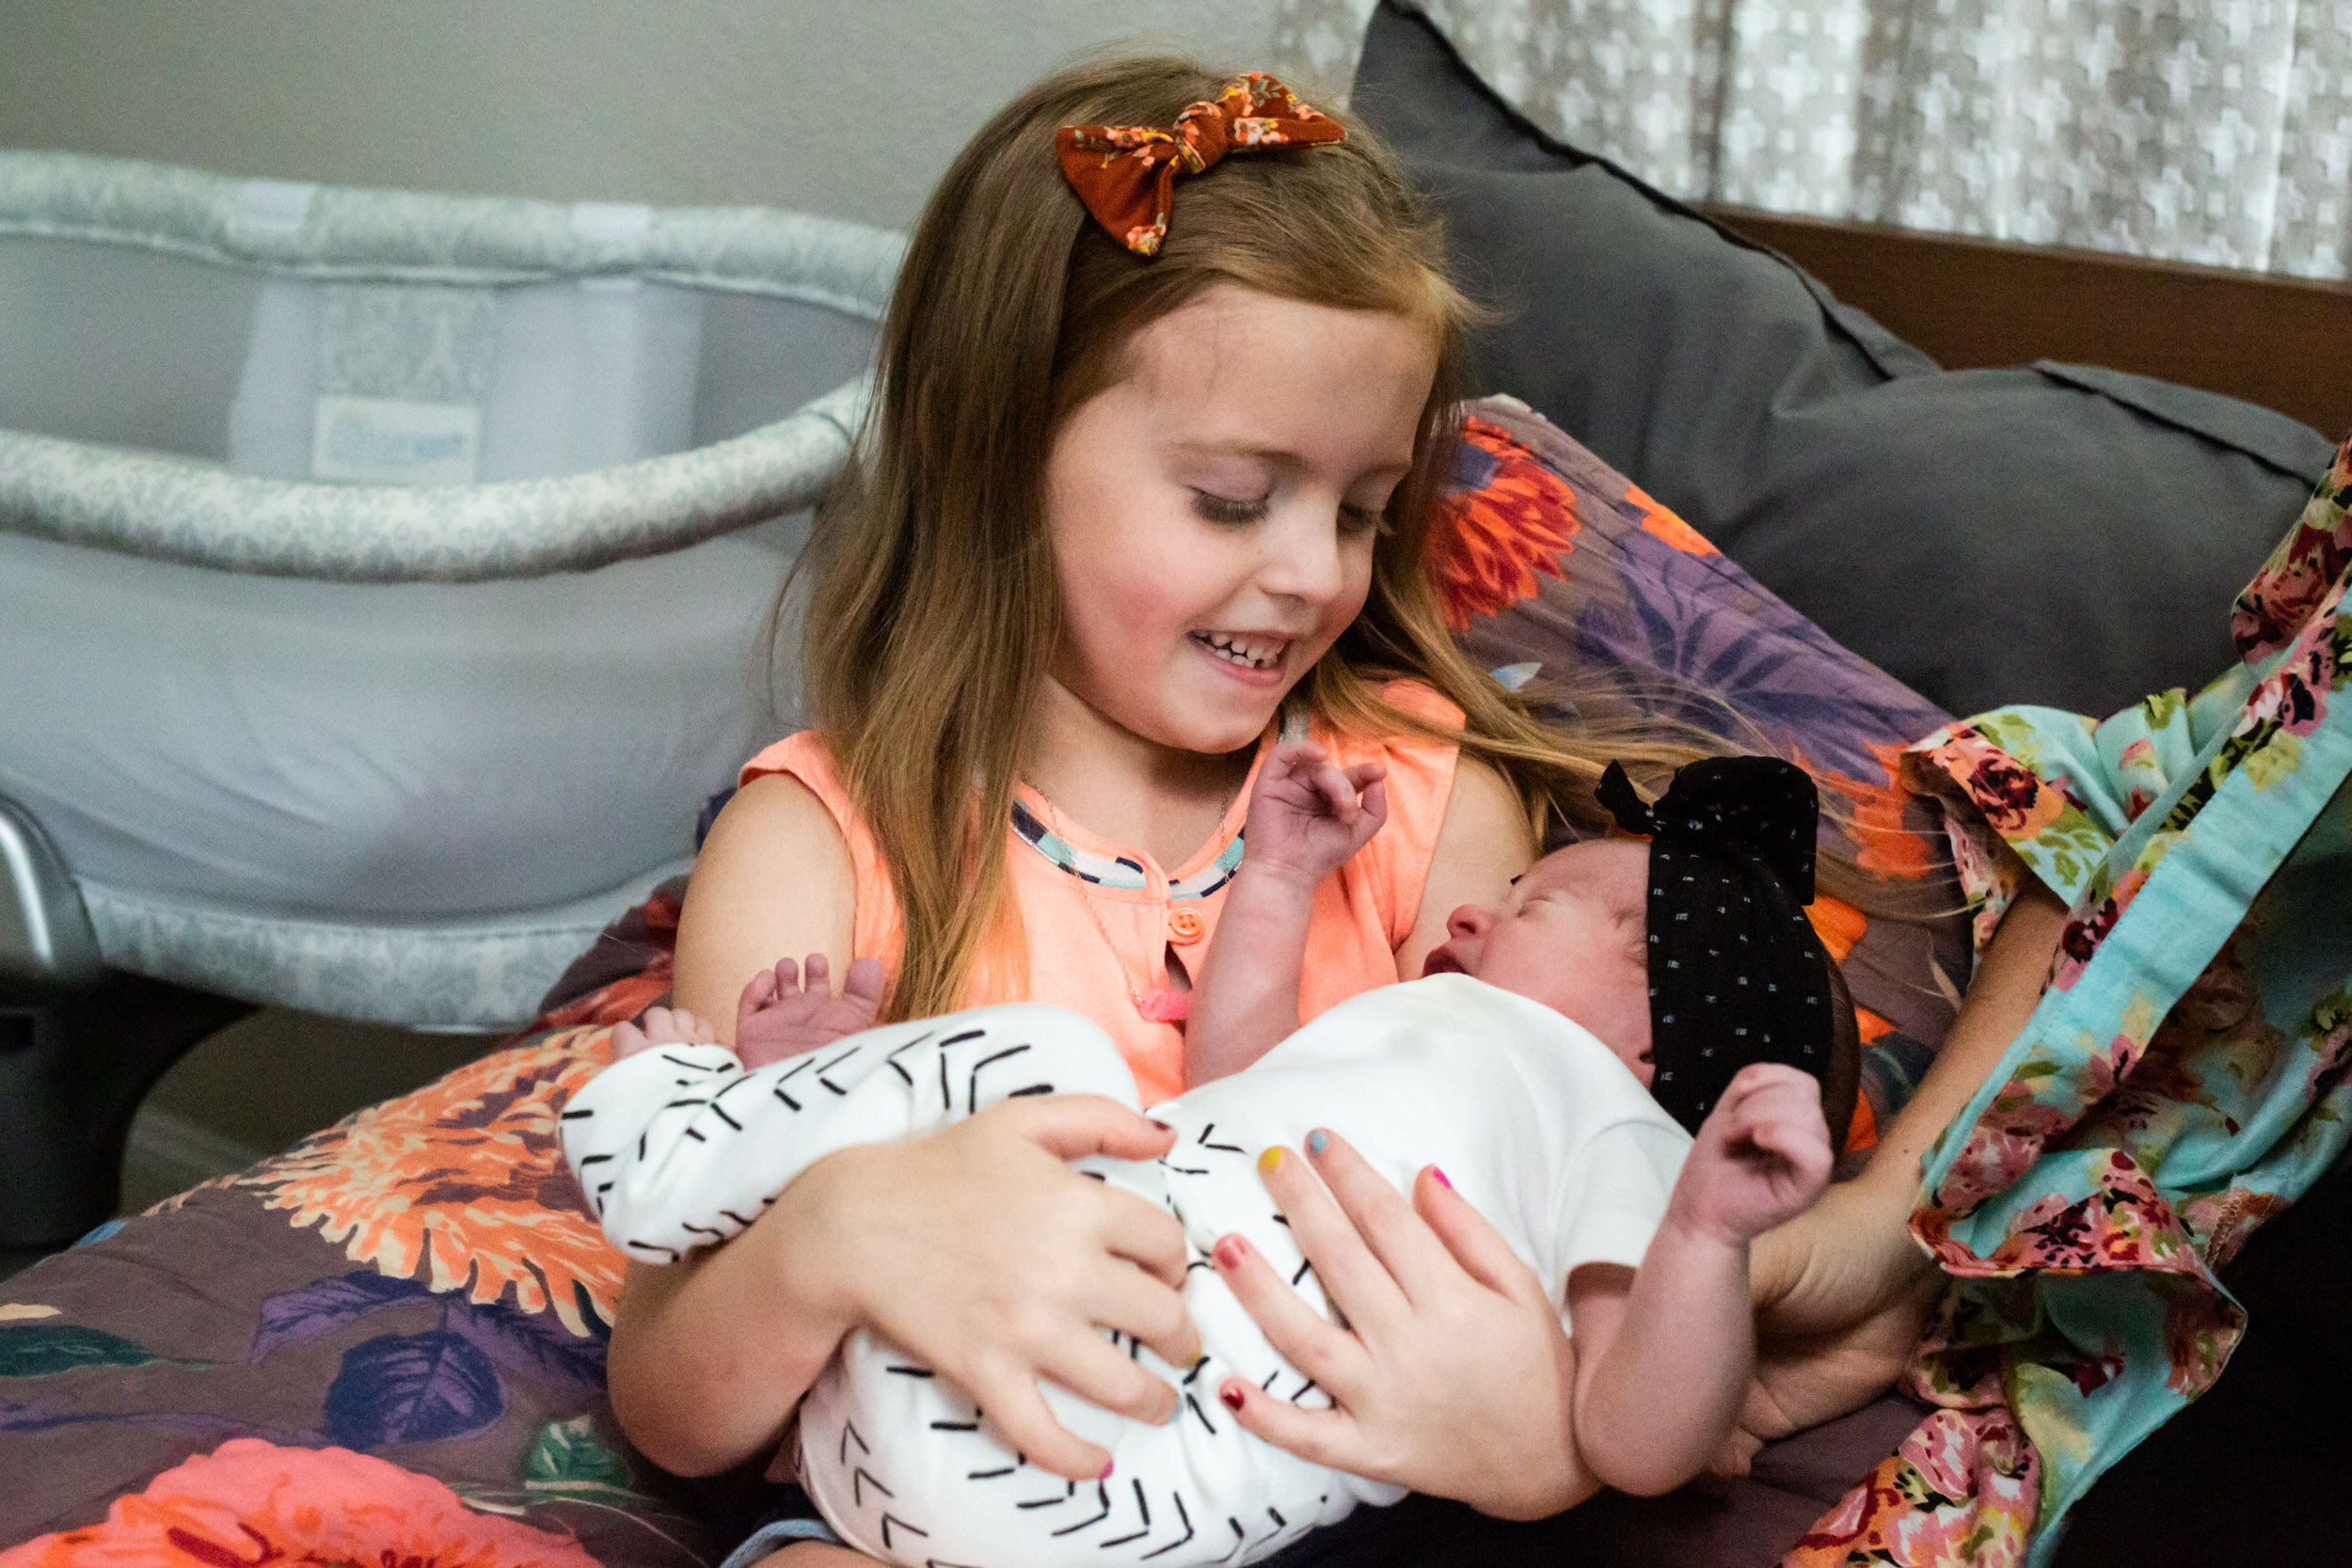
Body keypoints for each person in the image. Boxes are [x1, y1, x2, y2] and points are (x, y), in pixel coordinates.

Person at [603, 54, 2072, 1568]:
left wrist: (1532, 1456)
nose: (1313, 571)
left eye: (1365, 511)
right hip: (934, 1504)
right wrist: (846, 1236)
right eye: (1235, 501)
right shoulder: (820, 847)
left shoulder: (1421, 809)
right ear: (997, 454)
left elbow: (1535, 1218)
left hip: (1289, 1493)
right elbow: (671, 1399)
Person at [569, 747, 1857, 1565]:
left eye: (1557, 906)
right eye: (1514, 886)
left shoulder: (1614, 1129)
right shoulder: (1408, 1040)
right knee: (1049, 1097)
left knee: (1052, 1063)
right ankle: (795, 1116)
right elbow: (1235, 1075)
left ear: (1661, 1041)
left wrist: (1705, 1235)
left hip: (1121, 1445)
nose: (1475, 908)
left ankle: (699, 1136)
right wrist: (1284, 884)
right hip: (931, 1416)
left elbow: (1636, 1437)